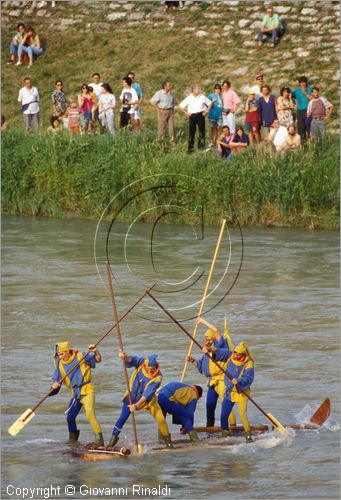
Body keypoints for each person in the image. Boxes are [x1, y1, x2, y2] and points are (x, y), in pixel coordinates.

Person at [108, 352, 172, 448]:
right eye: (149, 369)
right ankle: (111, 443)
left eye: (153, 369)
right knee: (122, 419)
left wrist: (136, 406)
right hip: (131, 398)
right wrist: (124, 357)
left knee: (161, 419)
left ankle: (169, 443)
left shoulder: (158, 377)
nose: (151, 371)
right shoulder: (142, 362)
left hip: (148, 401)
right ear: (146, 365)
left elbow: (146, 395)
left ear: (156, 366)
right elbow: (130, 360)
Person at [186, 317, 236, 429]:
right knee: (209, 406)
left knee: (226, 406)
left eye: (209, 339)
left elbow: (216, 331)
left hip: (222, 380)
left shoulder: (221, 346)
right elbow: (201, 367)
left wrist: (202, 321)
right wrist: (192, 360)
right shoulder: (205, 352)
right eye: (206, 339)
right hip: (212, 382)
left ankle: (233, 427)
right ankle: (210, 429)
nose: (207, 341)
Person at [51, 341, 104, 445]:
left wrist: (96, 351)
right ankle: (73, 440)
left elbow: (98, 360)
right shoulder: (58, 363)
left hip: (87, 390)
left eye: (61, 354)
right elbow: (56, 380)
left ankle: (100, 441)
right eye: (59, 354)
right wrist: (54, 385)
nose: (60, 356)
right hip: (75, 394)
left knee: (90, 415)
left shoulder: (80, 356)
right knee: (70, 417)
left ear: (67, 352)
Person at [204, 341, 254, 443]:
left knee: (242, 414)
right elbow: (219, 351)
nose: (234, 355)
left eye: (237, 354)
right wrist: (209, 350)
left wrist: (239, 380)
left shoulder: (249, 363)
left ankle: (248, 437)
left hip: (241, 392)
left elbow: (249, 378)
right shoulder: (230, 355)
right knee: (224, 415)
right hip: (230, 391)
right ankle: (225, 435)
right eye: (234, 352)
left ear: (243, 354)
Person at [179, 84, 212, 153]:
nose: (199, 90)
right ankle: (190, 149)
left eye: (199, 89)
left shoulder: (202, 96)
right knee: (192, 132)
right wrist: (186, 113)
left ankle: (201, 147)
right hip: (192, 116)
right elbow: (181, 105)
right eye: (198, 89)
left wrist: (206, 111)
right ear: (193, 90)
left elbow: (210, 103)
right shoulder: (189, 98)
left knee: (202, 132)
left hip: (201, 115)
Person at [150, 80, 176, 145]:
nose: (171, 86)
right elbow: (152, 101)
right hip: (162, 111)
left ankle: (172, 141)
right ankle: (161, 141)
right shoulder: (159, 93)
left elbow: (173, 100)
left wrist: (172, 107)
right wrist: (158, 109)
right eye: (169, 85)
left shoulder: (170, 93)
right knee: (162, 127)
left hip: (170, 111)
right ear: (165, 86)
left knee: (171, 127)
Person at [291, 76, 313, 142]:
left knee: (309, 128)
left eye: (304, 82)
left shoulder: (310, 89)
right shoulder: (296, 90)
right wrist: (293, 103)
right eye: (301, 82)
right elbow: (290, 96)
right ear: (299, 83)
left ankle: (311, 144)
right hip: (299, 111)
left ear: (306, 83)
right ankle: (303, 145)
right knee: (300, 128)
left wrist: (305, 92)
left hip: (308, 110)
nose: (303, 84)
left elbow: (313, 98)